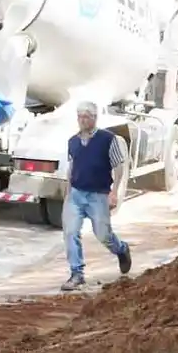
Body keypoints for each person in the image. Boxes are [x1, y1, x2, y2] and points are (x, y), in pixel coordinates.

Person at [61, 101, 133, 291]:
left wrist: (114, 191)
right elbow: (71, 168)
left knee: (103, 235)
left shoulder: (108, 139)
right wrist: (68, 194)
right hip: (76, 194)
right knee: (70, 232)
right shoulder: (73, 142)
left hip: (98, 195)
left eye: (87, 116)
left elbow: (119, 166)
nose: (83, 120)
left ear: (94, 118)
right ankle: (77, 274)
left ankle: (121, 249)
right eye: (80, 116)